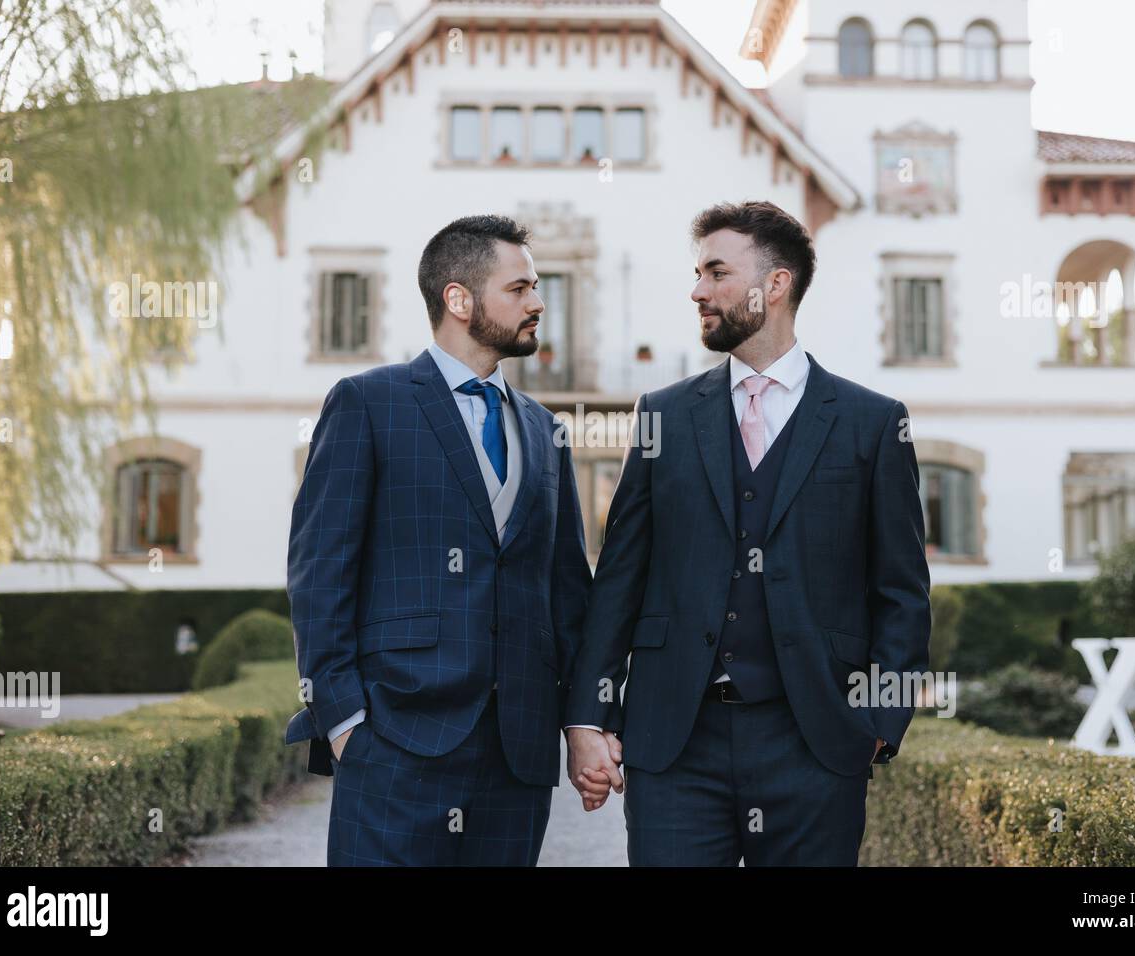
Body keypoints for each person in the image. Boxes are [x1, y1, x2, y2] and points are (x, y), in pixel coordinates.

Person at [564, 200, 931, 866]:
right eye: (698, 273)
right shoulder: (664, 416)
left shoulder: (871, 424)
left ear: (777, 284)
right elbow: (619, 577)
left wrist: (878, 725)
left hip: (815, 744)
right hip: (676, 746)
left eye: (716, 272)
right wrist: (588, 718)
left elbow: (902, 592)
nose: (698, 290)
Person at [285, 214, 598, 865]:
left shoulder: (545, 430)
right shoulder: (370, 403)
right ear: (459, 298)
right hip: (394, 742)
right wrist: (344, 724)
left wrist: (581, 720)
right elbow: (320, 572)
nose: (538, 302)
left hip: (516, 756)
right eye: (520, 288)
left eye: (537, 287)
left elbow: (568, 592)